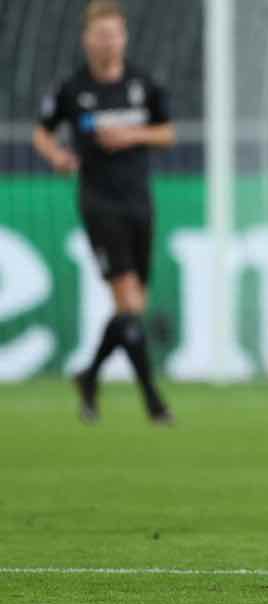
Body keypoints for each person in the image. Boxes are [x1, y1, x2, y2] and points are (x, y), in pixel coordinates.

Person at [33, 0, 176, 425]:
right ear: (87, 40)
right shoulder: (72, 89)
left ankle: (89, 375)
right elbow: (41, 132)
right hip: (99, 201)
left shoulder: (142, 83)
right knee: (128, 302)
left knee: (133, 309)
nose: (107, 42)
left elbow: (167, 133)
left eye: (113, 34)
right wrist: (57, 156)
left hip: (139, 201)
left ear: (124, 37)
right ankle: (153, 400)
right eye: (100, 35)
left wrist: (132, 134)